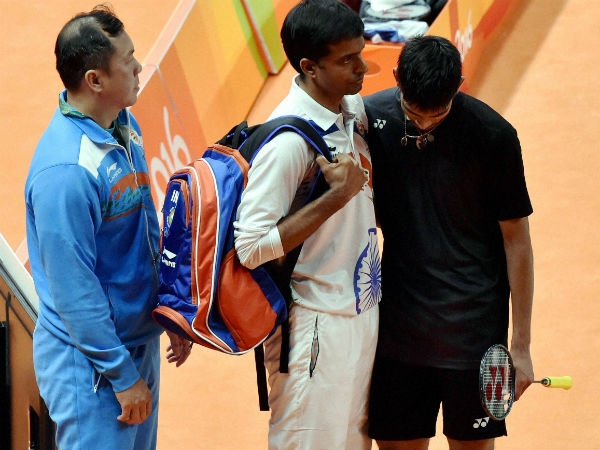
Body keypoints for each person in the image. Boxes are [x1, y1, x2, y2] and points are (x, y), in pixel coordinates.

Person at [25, 6, 190, 450]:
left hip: (135, 342)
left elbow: (145, 227)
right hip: (92, 367)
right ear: (95, 80)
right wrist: (120, 374)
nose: (139, 68)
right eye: (128, 61)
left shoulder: (121, 124)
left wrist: (169, 309)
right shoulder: (66, 173)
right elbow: (73, 290)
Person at [364, 35, 535, 450]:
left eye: (437, 114)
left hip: (475, 336)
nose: (424, 124)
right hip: (398, 332)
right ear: (395, 78)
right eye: (414, 113)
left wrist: (521, 346)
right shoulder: (369, 120)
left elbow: (517, 242)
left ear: (459, 84)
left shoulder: (494, 135)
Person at [233, 1, 381, 448]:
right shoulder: (288, 143)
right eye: (347, 60)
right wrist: (336, 197)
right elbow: (250, 247)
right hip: (312, 325)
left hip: (359, 311)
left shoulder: (350, 109)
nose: (362, 68)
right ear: (309, 68)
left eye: (360, 53)